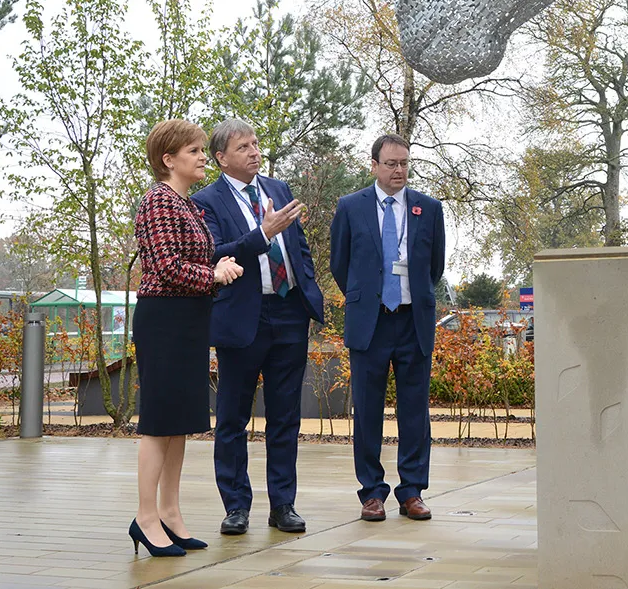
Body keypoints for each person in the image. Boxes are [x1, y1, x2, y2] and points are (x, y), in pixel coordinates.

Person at [191, 119, 325, 536]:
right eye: (244, 147)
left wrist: (307, 285)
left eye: (256, 143)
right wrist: (261, 234)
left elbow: (297, 244)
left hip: (289, 312)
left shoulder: (277, 189)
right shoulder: (205, 201)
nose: (254, 151)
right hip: (242, 318)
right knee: (232, 417)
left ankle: (283, 504)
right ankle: (236, 507)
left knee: (285, 417)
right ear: (220, 158)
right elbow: (214, 252)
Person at [131, 119, 244, 558]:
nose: (203, 157)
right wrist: (212, 274)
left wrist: (224, 263)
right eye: (195, 151)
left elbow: (200, 258)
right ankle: (145, 517)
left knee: (180, 423)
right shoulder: (158, 201)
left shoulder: (190, 205)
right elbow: (165, 267)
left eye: (201, 149)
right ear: (168, 159)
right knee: (159, 424)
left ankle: (170, 513)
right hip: (164, 320)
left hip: (191, 319)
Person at [330, 133, 446, 521]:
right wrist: (368, 297)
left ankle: (411, 491)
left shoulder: (428, 209)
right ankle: (372, 492)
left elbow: (435, 268)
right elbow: (340, 264)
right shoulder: (350, 207)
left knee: (415, 410)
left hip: (413, 321)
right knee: (367, 411)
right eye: (391, 164)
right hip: (371, 322)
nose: (399, 171)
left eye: (404, 164)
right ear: (374, 166)